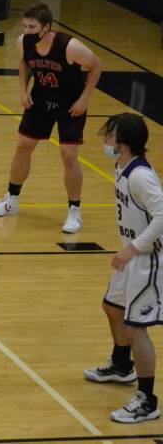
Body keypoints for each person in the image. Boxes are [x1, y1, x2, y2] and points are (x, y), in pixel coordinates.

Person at [0, 2, 103, 233]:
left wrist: (84, 100)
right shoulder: (23, 43)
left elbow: (97, 66)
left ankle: (74, 212)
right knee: (24, 145)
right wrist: (22, 90)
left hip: (70, 103)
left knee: (68, 154)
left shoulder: (69, 46)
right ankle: (12, 200)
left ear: (46, 27)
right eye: (25, 26)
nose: (26, 31)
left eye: (32, 27)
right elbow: (24, 64)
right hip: (41, 97)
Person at [83, 114, 163, 424]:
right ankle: (121, 364)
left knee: (135, 328)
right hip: (130, 256)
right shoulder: (121, 166)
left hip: (146, 259)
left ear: (124, 142)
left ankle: (147, 400)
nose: (105, 139)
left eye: (111, 135)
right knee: (112, 308)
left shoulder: (140, 176)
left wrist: (133, 247)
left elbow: (161, 216)